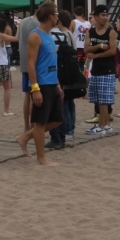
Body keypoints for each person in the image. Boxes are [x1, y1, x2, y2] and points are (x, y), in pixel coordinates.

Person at [15, 1, 63, 165]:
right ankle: (41, 158)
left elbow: (51, 61)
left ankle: (25, 137)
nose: (58, 17)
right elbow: (30, 64)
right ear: (50, 16)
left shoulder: (49, 35)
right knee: (41, 122)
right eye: (56, 14)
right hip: (41, 83)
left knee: (57, 119)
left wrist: (57, 84)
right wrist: (35, 89)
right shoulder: (35, 35)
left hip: (51, 82)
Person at [85, 4, 119, 134]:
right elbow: (86, 49)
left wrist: (96, 55)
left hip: (107, 70)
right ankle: (107, 125)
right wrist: (99, 45)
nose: (105, 18)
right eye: (103, 15)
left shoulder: (111, 32)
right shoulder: (90, 32)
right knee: (98, 99)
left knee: (104, 100)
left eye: (106, 15)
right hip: (95, 70)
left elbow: (112, 51)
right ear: (96, 17)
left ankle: (101, 126)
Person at [48, 10, 77, 144]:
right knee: (69, 101)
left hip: (61, 69)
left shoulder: (58, 34)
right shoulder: (69, 34)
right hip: (70, 68)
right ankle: (70, 128)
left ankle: (66, 129)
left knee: (63, 102)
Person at [17, 12, 40, 132]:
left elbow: (17, 38)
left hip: (24, 61)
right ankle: (33, 126)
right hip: (35, 62)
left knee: (27, 95)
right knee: (34, 95)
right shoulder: (39, 24)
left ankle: (27, 126)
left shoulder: (23, 22)